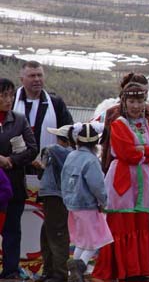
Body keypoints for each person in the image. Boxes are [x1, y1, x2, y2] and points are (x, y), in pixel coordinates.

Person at [92, 83, 149, 281]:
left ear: (145, 102)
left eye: (140, 101)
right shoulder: (118, 124)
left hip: (144, 181)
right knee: (122, 224)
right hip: (123, 181)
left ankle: (138, 269)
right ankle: (121, 269)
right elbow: (127, 153)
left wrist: (144, 150)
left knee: (141, 223)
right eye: (132, 101)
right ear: (124, 102)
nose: (136, 105)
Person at [13, 60, 73, 282]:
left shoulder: (55, 103)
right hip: (15, 170)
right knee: (14, 222)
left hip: (48, 174)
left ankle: (54, 271)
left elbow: (69, 134)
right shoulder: (10, 102)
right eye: (32, 76)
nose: (37, 80)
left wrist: (50, 157)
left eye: (39, 75)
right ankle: (13, 267)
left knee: (52, 225)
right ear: (22, 79)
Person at [61, 122, 113, 282]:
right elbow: (97, 185)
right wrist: (104, 202)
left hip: (72, 206)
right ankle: (79, 267)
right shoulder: (91, 160)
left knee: (82, 242)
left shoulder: (71, 156)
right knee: (96, 241)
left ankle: (72, 274)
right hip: (88, 207)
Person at [99, 72, 149, 179]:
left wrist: (142, 149)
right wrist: (148, 149)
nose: (136, 105)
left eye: (144, 94)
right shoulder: (114, 115)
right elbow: (125, 151)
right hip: (121, 172)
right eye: (132, 100)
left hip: (147, 172)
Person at [0, 78, 37, 279]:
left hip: (13, 185)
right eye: (4, 95)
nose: (8, 99)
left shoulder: (19, 120)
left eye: (11, 95)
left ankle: (10, 271)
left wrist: (11, 161)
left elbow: (32, 149)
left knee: (12, 231)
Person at [37, 125, 74, 282]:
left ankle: (59, 273)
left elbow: (51, 148)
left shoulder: (65, 153)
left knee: (57, 234)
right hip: (53, 196)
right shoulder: (63, 154)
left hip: (56, 197)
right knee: (48, 233)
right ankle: (50, 270)